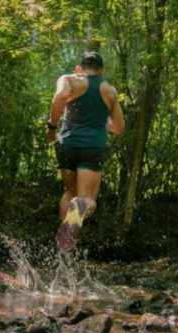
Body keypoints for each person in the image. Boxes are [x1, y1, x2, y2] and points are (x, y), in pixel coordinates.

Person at [46, 51, 124, 251]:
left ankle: (64, 246)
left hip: (67, 145)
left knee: (70, 192)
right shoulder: (110, 91)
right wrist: (98, 120)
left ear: (79, 68)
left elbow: (61, 95)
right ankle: (77, 212)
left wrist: (52, 126)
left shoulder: (69, 79)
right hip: (92, 147)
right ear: (101, 71)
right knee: (87, 200)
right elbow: (118, 128)